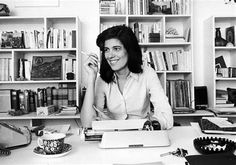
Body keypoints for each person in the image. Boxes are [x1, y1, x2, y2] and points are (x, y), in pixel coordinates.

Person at [80, 25, 173, 130]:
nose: (110, 55)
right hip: (113, 137)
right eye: (106, 49)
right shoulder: (103, 79)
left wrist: (152, 125)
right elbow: (87, 124)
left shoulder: (147, 73)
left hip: (142, 135)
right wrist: (91, 77)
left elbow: (167, 117)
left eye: (116, 48)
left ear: (129, 50)